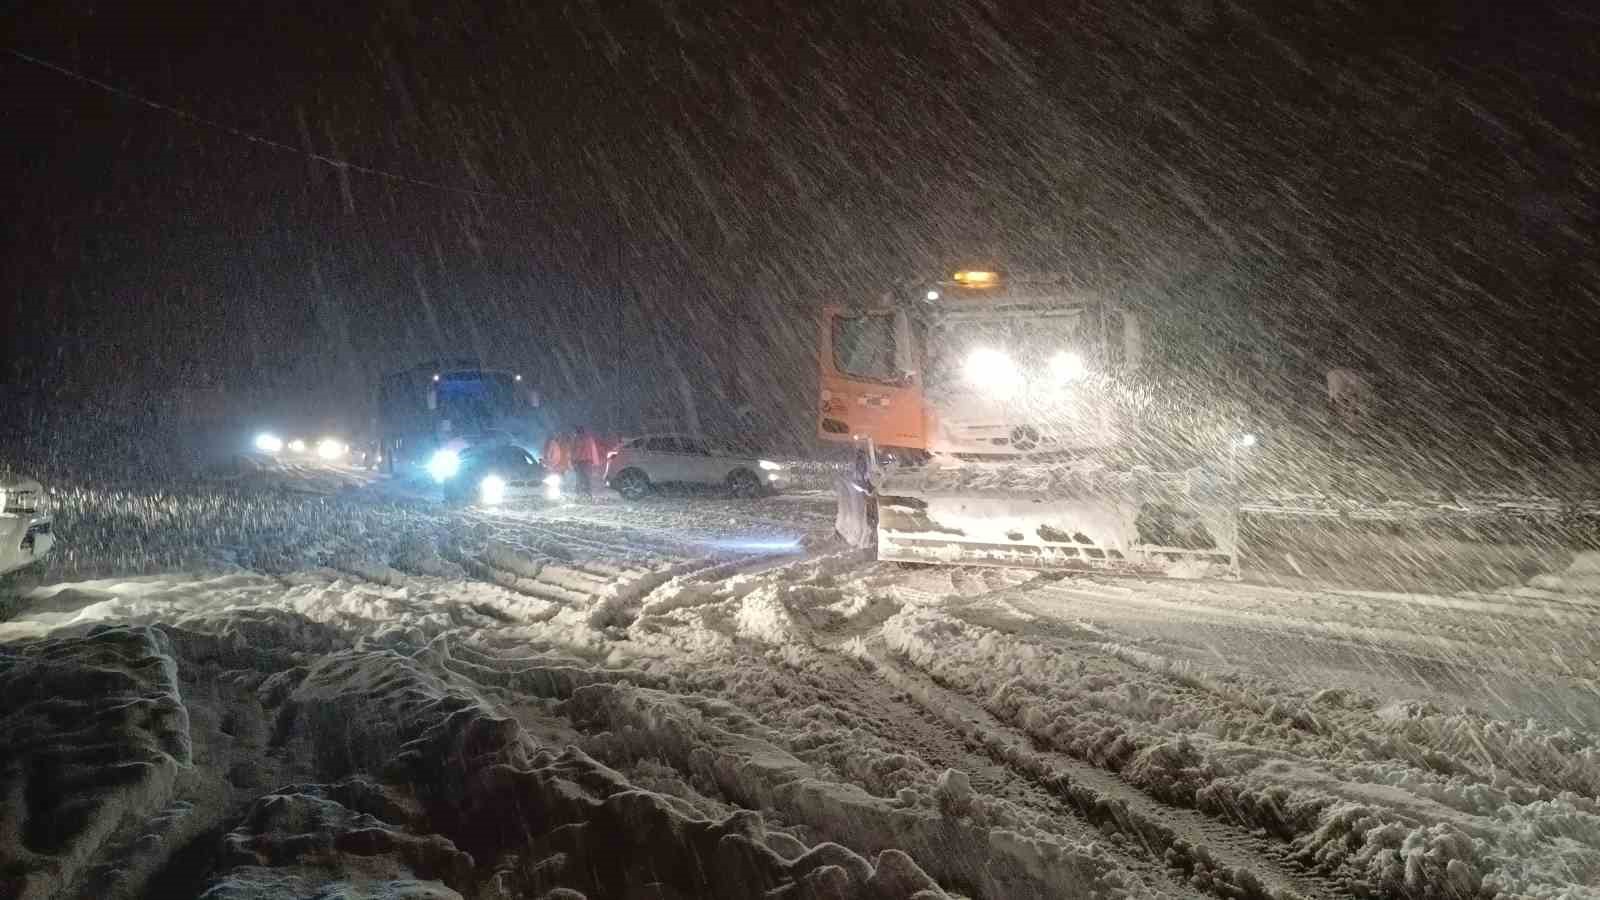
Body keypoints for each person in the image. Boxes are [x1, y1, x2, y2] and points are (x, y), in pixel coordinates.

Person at [569, 425, 602, 500]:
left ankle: (579, 494)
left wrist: (573, 460)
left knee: (580, 478)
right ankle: (588, 493)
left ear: (577, 432)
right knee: (587, 478)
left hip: (580, 462)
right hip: (588, 462)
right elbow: (594, 451)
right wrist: (596, 462)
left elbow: (575, 451)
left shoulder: (577, 439)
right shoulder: (589, 439)